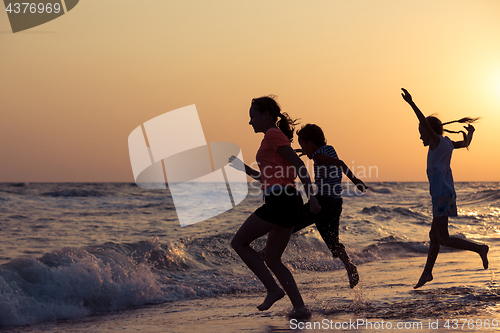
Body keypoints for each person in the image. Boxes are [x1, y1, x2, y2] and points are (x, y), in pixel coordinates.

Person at [229, 96, 321, 318]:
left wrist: (314, 198)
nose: (250, 122)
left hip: (281, 201)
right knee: (272, 259)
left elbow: (299, 165)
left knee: (239, 242)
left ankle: (273, 289)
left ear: (265, 115)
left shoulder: (272, 134)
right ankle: (300, 307)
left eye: (252, 116)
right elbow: (269, 176)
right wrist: (244, 169)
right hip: (286, 200)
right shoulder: (269, 139)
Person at [401, 88, 489, 289]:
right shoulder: (447, 143)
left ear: (429, 132)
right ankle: (427, 273)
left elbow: (424, 122)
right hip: (445, 194)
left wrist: (411, 103)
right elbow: (465, 143)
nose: (421, 137)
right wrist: (471, 134)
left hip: (441, 195)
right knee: (434, 236)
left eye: (422, 133)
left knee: (443, 238)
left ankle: (480, 248)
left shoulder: (436, 141)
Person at [293, 124, 367, 289]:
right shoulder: (328, 149)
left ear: (311, 143)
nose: (303, 150)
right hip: (335, 202)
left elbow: (339, 163)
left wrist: (355, 180)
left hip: (323, 201)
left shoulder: (319, 156)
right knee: (333, 242)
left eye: (303, 145)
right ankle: (349, 265)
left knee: (291, 223)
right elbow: (334, 160)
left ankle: (266, 253)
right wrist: (303, 152)